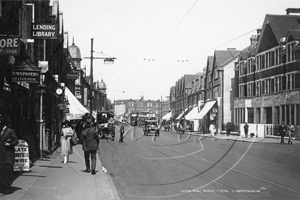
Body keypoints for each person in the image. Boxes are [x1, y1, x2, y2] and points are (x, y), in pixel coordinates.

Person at [0, 113, 19, 194]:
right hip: (1, 155)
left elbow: (16, 141)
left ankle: (8, 188)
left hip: (7, 155)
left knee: (7, 172)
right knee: (1, 172)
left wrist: (10, 144)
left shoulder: (10, 131)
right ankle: (3, 187)